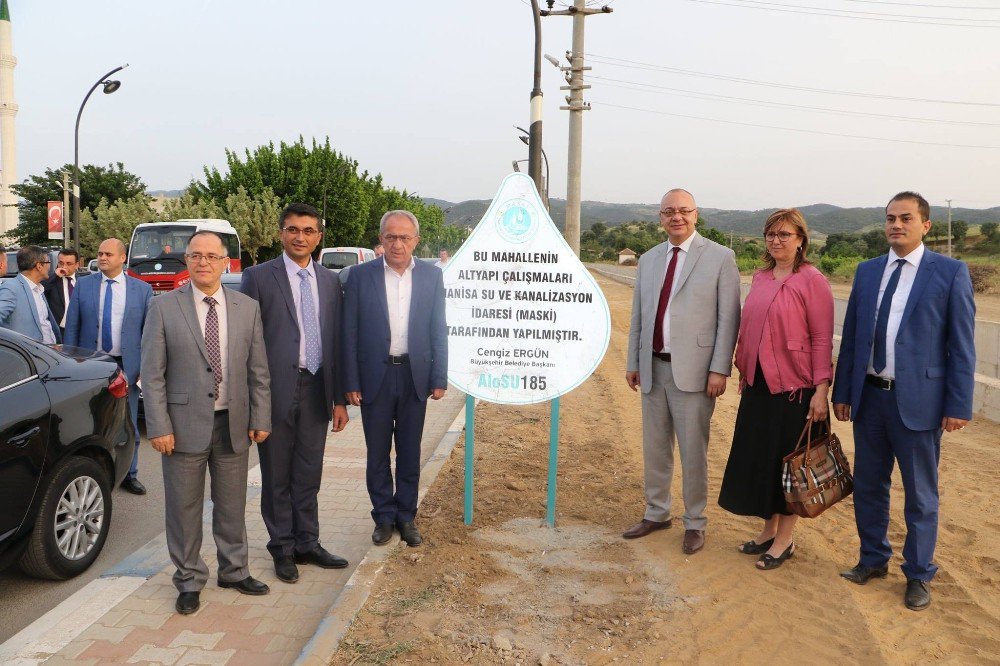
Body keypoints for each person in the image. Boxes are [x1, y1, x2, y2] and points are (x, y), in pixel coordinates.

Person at [833, 191, 976, 611]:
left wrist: (957, 405)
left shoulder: (948, 272)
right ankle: (873, 559)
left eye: (906, 218)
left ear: (925, 225)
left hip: (920, 404)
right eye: (891, 218)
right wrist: (844, 392)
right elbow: (854, 339)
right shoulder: (867, 271)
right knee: (869, 487)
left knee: (920, 496)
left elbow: (962, 346)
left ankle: (917, 574)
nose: (897, 224)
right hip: (871, 400)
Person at [141, 230, 272, 615]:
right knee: (183, 509)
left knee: (232, 506)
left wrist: (260, 416)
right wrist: (160, 425)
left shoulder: (246, 307)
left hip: (233, 424)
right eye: (195, 255)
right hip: (181, 427)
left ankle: (234, 570)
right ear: (186, 260)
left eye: (211, 256)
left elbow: (258, 369)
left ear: (226, 262)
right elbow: (152, 374)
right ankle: (188, 580)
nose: (203, 262)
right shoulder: (164, 307)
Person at [623, 188, 741, 554]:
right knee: (656, 449)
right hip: (653, 368)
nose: (677, 217)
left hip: (696, 372)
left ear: (696, 214)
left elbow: (729, 319)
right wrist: (633, 361)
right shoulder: (648, 259)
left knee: (693, 452)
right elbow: (639, 316)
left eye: (683, 210)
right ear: (660, 217)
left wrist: (720, 368)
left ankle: (695, 521)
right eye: (669, 211)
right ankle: (657, 512)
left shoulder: (721, 257)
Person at [718, 209, 833, 570]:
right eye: (771, 234)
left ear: (801, 239)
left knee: (789, 468)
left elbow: (820, 339)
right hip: (759, 385)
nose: (776, 240)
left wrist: (821, 390)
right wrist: (743, 368)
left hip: (795, 389)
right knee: (763, 463)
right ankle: (768, 531)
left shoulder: (812, 280)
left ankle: (785, 540)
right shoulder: (762, 277)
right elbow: (749, 327)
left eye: (784, 234)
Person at [241, 203, 350, 584]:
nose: (299, 237)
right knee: (276, 476)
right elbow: (248, 340)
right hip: (274, 390)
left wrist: (338, 399)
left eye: (307, 230)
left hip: (318, 388)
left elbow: (336, 340)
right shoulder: (257, 277)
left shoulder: (330, 281)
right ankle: (282, 548)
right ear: (281, 233)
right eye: (292, 229)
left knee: (308, 472)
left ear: (319, 237)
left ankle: (308, 543)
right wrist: (254, 400)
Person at [342, 209, 448, 547]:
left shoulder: (431, 277)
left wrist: (439, 376)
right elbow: (350, 333)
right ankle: (383, 517)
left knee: (409, 452)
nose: (397, 243)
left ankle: (406, 516)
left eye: (404, 237)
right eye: (391, 237)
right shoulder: (360, 276)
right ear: (381, 240)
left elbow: (438, 329)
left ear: (416, 240)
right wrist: (351, 381)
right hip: (375, 376)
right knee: (377, 453)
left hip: (415, 377)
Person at [65, 239, 153, 495]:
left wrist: (145, 367)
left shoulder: (141, 289)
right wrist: (71, 364)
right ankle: (92, 474)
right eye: (100, 253)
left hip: (127, 367)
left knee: (128, 422)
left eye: (108, 254)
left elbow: (148, 332)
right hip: (90, 366)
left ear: (122, 258)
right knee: (88, 422)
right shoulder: (83, 286)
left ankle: (130, 473)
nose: (102, 257)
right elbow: (72, 327)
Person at [0, 246, 60, 344]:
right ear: (39, 266)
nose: (50, 266)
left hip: (49, 353)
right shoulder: (11, 288)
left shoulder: (38, 288)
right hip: (27, 355)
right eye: (48, 262)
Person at [43, 248, 81, 338]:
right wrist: (55, 276)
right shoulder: (52, 280)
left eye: (69, 264)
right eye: (61, 263)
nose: (64, 267)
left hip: (79, 330)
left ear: (77, 265)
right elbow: (40, 290)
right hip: (58, 331)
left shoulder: (83, 281)